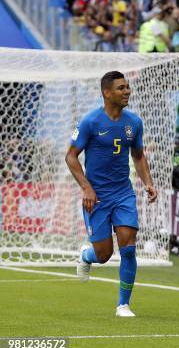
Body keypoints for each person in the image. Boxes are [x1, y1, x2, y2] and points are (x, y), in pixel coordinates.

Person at [65, 71, 157, 317]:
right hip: (96, 197)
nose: (127, 91)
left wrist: (147, 181)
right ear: (106, 93)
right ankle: (86, 255)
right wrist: (86, 187)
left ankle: (123, 304)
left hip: (123, 193)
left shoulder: (134, 123)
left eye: (127, 87)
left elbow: (138, 156)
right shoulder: (91, 122)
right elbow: (71, 156)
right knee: (104, 255)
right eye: (121, 88)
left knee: (128, 245)